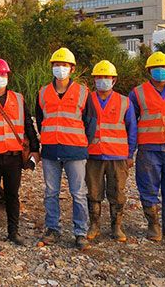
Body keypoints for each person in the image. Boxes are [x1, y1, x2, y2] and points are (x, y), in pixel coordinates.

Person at [36, 47, 97, 250]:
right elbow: (40, 119)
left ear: (72, 69)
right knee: (50, 192)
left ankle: (80, 232)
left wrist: (83, 142)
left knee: (78, 193)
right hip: (51, 150)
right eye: (56, 64)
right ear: (52, 67)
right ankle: (52, 229)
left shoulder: (83, 92)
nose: (60, 68)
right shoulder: (43, 92)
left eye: (64, 65)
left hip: (75, 150)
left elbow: (91, 121)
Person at [0, 58, 40, 247]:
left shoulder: (18, 99)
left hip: (13, 156)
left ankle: (13, 232)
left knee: (12, 195)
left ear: (8, 76)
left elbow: (28, 124)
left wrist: (35, 148)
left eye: (2, 74)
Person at [129, 52, 165, 242]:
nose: (160, 70)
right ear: (149, 70)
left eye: (164, 67)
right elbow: (132, 121)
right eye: (156, 68)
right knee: (148, 188)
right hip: (148, 148)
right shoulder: (137, 93)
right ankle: (153, 226)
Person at [86, 60, 137, 242]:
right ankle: (94, 225)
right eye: (99, 77)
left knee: (117, 193)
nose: (102, 80)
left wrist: (130, 154)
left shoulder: (124, 102)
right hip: (93, 154)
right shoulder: (87, 100)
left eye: (106, 77)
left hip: (118, 156)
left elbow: (132, 129)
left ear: (114, 80)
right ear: (94, 80)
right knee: (93, 192)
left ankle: (117, 227)